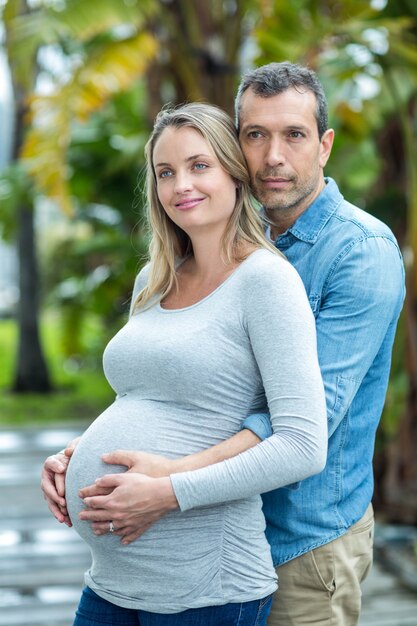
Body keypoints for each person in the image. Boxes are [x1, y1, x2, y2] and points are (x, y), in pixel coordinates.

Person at [42, 62, 405, 625]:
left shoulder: (358, 252)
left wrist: (168, 479)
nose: (272, 156)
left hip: (300, 539)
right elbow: (174, 391)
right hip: (158, 555)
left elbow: (310, 422)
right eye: (255, 135)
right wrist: (85, 452)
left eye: (294, 135)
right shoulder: (194, 256)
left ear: (325, 145)